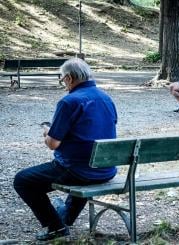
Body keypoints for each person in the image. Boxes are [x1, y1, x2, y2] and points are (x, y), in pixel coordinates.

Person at [13, 58, 118, 241]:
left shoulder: (69, 102)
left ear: (69, 78)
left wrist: (48, 132)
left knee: (22, 180)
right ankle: (65, 217)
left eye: (62, 79)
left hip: (78, 170)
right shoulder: (106, 98)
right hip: (105, 169)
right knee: (84, 164)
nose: (63, 83)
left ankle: (55, 228)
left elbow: (53, 144)